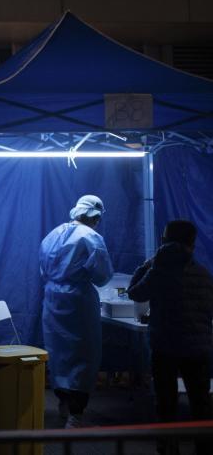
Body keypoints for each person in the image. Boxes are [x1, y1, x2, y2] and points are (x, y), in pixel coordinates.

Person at [127, 220, 213, 454]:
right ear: (192, 244)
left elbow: (134, 292)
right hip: (199, 349)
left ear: (164, 242)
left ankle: (168, 449)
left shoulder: (159, 273)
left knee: (166, 404)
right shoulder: (204, 274)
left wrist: (148, 264)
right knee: (201, 405)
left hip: (165, 347)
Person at [39, 194, 113, 429]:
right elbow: (102, 276)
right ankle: (76, 414)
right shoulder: (91, 237)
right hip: (78, 303)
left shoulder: (53, 234)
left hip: (52, 300)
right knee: (83, 356)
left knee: (58, 354)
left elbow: (43, 268)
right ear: (95, 217)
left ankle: (62, 403)